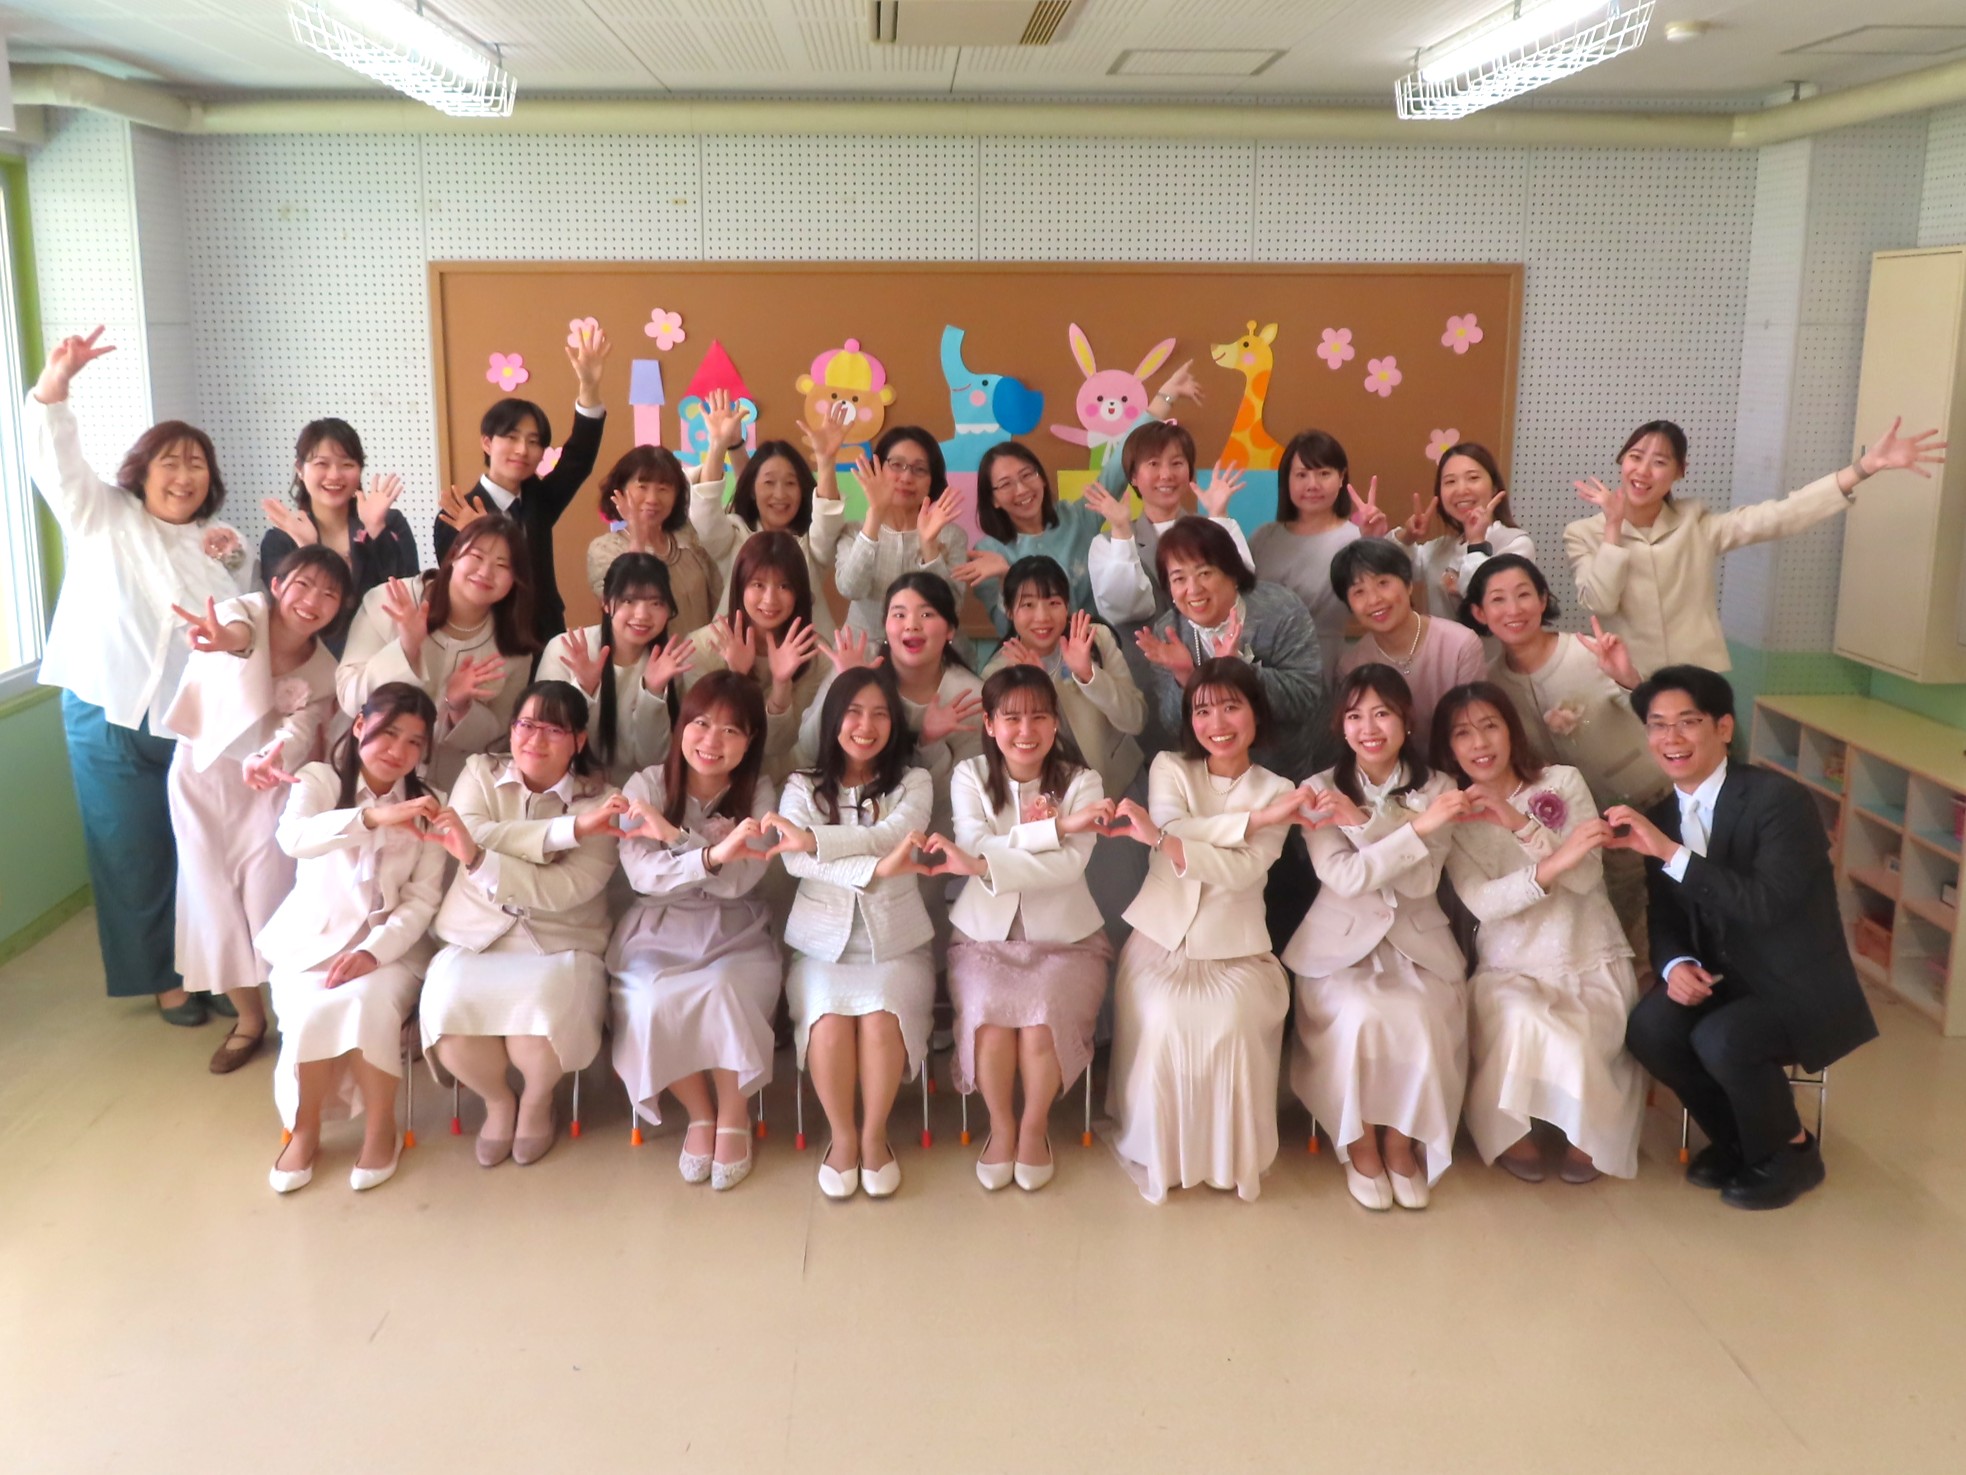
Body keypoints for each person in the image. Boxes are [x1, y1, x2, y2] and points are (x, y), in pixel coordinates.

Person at [25, 327, 244, 1022]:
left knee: (192, 850)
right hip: (105, 711)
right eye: (170, 462)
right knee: (132, 851)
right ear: (141, 472)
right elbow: (55, 460)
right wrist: (56, 384)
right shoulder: (101, 515)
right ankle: (163, 979)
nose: (184, 476)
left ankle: (206, 965)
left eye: (197, 465)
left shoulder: (214, 547)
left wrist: (235, 562)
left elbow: (239, 632)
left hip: (183, 722)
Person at [1609, 665, 1879, 1210]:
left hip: (1794, 984)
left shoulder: (1779, 801)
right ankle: (1740, 1140)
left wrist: (1670, 852)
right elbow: (1664, 916)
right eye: (1658, 725)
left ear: (1724, 728)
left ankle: (1792, 1152)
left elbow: (1765, 904)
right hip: (1720, 977)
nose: (1671, 738)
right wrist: (1675, 966)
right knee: (1651, 1029)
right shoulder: (1662, 815)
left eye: (1688, 722)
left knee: (1723, 1038)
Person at [1105, 659, 1307, 1204]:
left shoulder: (1279, 787)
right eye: (1202, 710)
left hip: (1237, 947)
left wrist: (1167, 842)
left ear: (1255, 714)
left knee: (1231, 1027)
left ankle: (1226, 1159)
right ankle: (1163, 1152)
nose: (1216, 722)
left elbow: (1243, 870)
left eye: (1230, 707)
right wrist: (1255, 822)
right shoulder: (1170, 766)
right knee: (1165, 1021)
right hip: (1161, 939)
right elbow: (1170, 825)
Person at [1434, 682, 1644, 1184]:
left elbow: (1586, 876)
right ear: (1448, 748)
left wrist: (1519, 823)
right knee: (1522, 1021)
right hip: (1510, 967)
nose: (1479, 743)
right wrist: (1553, 863)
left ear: (1511, 730)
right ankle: (1513, 1132)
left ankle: (1588, 1133)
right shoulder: (1454, 816)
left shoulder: (1563, 781)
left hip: (1589, 955)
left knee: (1580, 1041)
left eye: (1490, 726)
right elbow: (1484, 902)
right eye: (1463, 733)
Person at [1283, 664, 1469, 1212]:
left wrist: (1365, 826)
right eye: (1355, 716)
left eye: (1382, 713)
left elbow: (1421, 881)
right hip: (1338, 946)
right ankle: (1359, 1142)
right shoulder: (1317, 790)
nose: (1369, 728)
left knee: (1421, 1016)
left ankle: (1401, 1143)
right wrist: (1415, 828)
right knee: (1359, 1015)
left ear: (1406, 720)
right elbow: (1343, 877)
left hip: (1419, 942)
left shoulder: (1440, 788)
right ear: (1340, 725)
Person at [418, 682, 626, 1168]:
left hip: (561, 939)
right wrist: (569, 831)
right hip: (475, 935)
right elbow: (468, 831)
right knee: (448, 1019)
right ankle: (498, 1102)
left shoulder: (605, 800)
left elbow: (569, 887)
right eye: (526, 725)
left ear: (578, 740)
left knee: (541, 1024)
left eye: (553, 729)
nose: (535, 739)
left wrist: (481, 859)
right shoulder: (480, 771)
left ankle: (536, 1102)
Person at [163, 548, 353, 1073]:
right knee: (211, 901)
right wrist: (224, 640)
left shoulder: (325, 668)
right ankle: (249, 1021)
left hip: (268, 783)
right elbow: (236, 634)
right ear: (277, 585)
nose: (312, 601)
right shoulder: (242, 612)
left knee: (271, 897)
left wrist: (275, 754)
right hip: (202, 774)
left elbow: (302, 726)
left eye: (329, 594)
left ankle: (293, 1014)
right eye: (303, 585)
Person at [1565, 417, 1946, 675]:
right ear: (1621, 462)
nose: (1643, 471)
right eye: (1635, 457)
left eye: (1660, 462)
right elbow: (1601, 603)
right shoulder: (1583, 533)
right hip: (1625, 680)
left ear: (1680, 471)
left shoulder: (1698, 526)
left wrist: (1863, 467)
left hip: (1697, 680)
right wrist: (1613, 528)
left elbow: (1781, 514)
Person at [259, 683, 447, 1194]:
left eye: (414, 742)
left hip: (390, 949)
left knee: (367, 1003)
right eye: (389, 733)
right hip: (311, 943)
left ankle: (381, 1127)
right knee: (309, 1008)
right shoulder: (319, 779)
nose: (398, 751)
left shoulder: (430, 803)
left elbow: (422, 901)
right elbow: (294, 839)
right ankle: (305, 1131)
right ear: (361, 725)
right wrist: (372, 817)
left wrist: (372, 951)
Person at [940, 667, 1113, 1192]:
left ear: (1055, 722)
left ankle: (1034, 1129)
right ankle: (1001, 1127)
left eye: (1039, 716)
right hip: (982, 938)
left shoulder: (1082, 781)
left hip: (1067, 941)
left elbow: (1068, 867)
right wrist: (1058, 828)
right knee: (990, 1021)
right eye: (1011, 717)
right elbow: (971, 846)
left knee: (1042, 1024)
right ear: (989, 724)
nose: (1025, 730)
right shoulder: (969, 775)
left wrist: (990, 860)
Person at [608, 673, 781, 1192]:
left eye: (731, 730)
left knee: (726, 989)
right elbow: (644, 876)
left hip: (735, 926)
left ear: (750, 740)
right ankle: (700, 1113)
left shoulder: (760, 791)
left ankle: (733, 1112)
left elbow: (740, 881)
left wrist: (673, 837)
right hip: (657, 929)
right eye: (701, 723)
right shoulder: (644, 786)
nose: (711, 741)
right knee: (650, 999)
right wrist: (710, 854)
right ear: (681, 725)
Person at [768, 667, 936, 1200]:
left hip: (897, 943)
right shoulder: (800, 784)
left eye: (880, 714)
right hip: (821, 945)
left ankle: (874, 1135)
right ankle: (842, 1138)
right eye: (854, 713)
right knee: (829, 1025)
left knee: (883, 1021)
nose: (866, 726)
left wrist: (815, 840)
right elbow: (794, 861)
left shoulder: (914, 782)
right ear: (833, 719)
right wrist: (874, 867)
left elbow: (895, 835)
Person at [1460, 554, 1664, 970]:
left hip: (1653, 801)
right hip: (1584, 823)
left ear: (1543, 599)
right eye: (1498, 600)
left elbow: (1658, 719)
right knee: (1624, 923)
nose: (1513, 609)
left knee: (1676, 914)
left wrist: (1627, 678)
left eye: (1523, 595)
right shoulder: (1492, 682)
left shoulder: (1588, 652)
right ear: (1480, 613)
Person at [434, 323, 609, 644]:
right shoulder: (458, 512)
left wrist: (589, 387)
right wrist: (479, 536)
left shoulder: (539, 499)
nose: (522, 450)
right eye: (511, 438)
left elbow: (579, 457)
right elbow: (458, 594)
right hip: (491, 644)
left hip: (547, 638)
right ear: (488, 443)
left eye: (533, 441)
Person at [336, 513, 538, 790]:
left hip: (453, 790)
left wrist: (459, 707)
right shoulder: (391, 600)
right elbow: (350, 697)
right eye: (477, 556)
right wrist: (407, 648)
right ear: (454, 555)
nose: (485, 572)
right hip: (366, 782)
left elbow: (502, 741)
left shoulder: (513, 647)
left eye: (502, 565)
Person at [1133, 516, 1326, 781]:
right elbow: (1175, 727)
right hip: (1212, 779)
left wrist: (1239, 667)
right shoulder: (1169, 632)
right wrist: (1186, 678)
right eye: (1179, 579)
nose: (1193, 589)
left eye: (1204, 573)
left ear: (1232, 573)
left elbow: (1306, 699)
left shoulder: (1281, 610)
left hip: (1283, 774)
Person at [1082, 418, 1252, 656]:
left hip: (1215, 668)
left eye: (1177, 463)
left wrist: (1218, 517)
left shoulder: (1212, 528)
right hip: (1142, 672)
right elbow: (1125, 610)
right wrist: (1122, 533)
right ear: (1133, 476)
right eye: (1153, 463)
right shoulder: (1106, 543)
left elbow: (1244, 586)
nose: (1166, 474)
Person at [981, 555, 1146, 802]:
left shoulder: (1095, 639)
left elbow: (1136, 720)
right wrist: (1037, 687)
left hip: (1120, 784)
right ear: (1009, 610)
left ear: (1067, 605)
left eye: (1053, 602)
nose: (1042, 617)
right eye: (1028, 605)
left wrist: (1088, 674)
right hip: (1056, 799)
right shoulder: (998, 674)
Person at [687, 389, 845, 638]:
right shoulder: (734, 537)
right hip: (734, 651)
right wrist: (717, 444)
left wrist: (826, 460)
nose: (780, 494)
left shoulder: (811, 545)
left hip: (806, 655)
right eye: (769, 483)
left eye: (790, 483)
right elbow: (704, 511)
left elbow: (828, 519)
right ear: (752, 490)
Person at [258, 417, 419, 652]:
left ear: (360, 469)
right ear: (300, 469)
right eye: (321, 464)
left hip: (382, 656)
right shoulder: (280, 539)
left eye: (347, 464)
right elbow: (288, 614)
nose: (334, 475)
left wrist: (377, 530)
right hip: (312, 659)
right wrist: (308, 550)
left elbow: (409, 594)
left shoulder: (390, 522)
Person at [537, 553, 693, 786]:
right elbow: (543, 739)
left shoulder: (668, 663)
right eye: (629, 601)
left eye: (656, 603)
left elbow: (653, 760)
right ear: (606, 602)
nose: (642, 615)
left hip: (642, 792)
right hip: (570, 786)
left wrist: (653, 693)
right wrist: (584, 690)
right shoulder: (566, 649)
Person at [683, 531, 825, 785]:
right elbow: (701, 738)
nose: (770, 599)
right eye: (758, 584)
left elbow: (777, 745)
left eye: (784, 586)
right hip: (716, 782)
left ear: (799, 592)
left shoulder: (815, 655)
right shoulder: (702, 647)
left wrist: (782, 683)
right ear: (740, 586)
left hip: (785, 786)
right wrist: (736, 679)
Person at [1331, 538, 1483, 758]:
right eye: (1359, 592)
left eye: (1383, 583)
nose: (1374, 600)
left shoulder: (1461, 645)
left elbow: (1474, 727)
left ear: (1409, 584)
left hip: (1457, 766)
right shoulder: (1352, 665)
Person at [821, 427, 968, 638]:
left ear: (932, 480)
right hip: (861, 649)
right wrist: (875, 516)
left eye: (920, 469)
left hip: (925, 649)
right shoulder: (854, 531)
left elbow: (951, 608)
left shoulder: (951, 536)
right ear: (878, 469)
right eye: (896, 465)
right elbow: (851, 589)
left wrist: (929, 548)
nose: (906, 477)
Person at [951, 441, 1109, 631]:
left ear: (1041, 478)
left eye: (1027, 475)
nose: (1022, 489)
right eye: (1006, 484)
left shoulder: (1077, 517)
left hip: (1097, 641)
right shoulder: (987, 552)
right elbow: (1005, 630)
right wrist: (1006, 577)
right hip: (1034, 648)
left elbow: (1117, 470)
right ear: (993, 500)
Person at [1247, 429, 1364, 669]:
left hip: (1326, 660)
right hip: (1264, 662)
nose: (1312, 485)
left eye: (1324, 474)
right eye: (1301, 475)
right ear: (1287, 480)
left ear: (1341, 478)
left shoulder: (1356, 539)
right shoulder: (1263, 537)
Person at [584, 445, 720, 639]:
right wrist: (638, 536)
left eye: (663, 489)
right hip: (651, 657)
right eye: (642, 487)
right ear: (619, 491)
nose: (653, 499)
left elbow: (717, 595)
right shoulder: (604, 550)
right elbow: (625, 605)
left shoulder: (688, 535)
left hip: (705, 653)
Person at [1392, 441, 1531, 618]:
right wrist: (1407, 536)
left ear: (1494, 487)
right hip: (1437, 637)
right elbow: (1393, 569)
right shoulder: (1441, 547)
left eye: (1473, 478)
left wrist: (1476, 543)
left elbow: (1491, 600)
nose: (1461, 490)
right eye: (1450, 481)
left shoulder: (1515, 543)